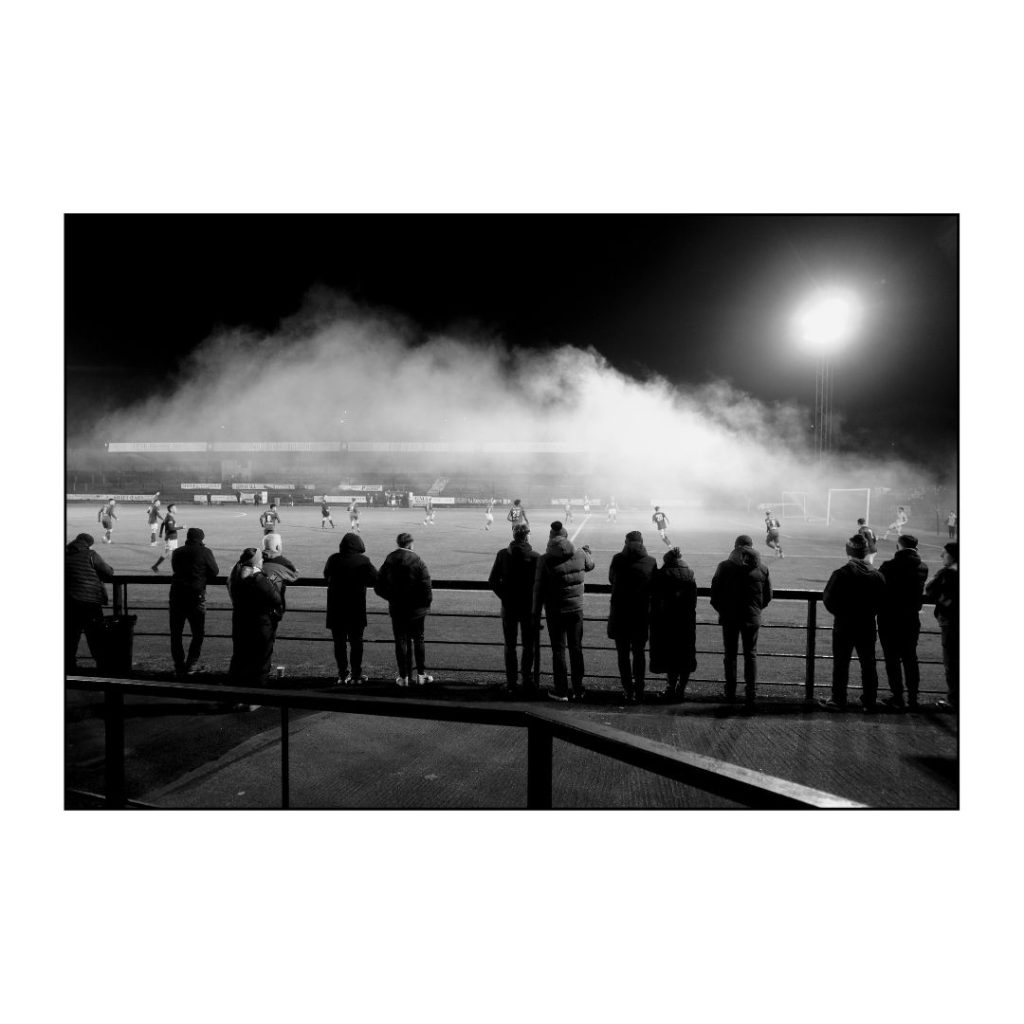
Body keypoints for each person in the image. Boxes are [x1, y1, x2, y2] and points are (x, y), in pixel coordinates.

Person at [819, 534, 887, 712]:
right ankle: (870, 701)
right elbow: (882, 602)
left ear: (848, 552)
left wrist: (842, 614)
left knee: (841, 663)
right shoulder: (877, 575)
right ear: (865, 552)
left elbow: (828, 599)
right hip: (867, 625)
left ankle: (838, 699)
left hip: (844, 625)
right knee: (869, 664)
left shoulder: (841, 574)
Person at [532, 521, 595, 702]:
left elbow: (538, 590)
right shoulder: (580, 553)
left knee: (558, 650)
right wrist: (586, 553)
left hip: (555, 611)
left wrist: (535, 616)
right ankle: (578, 689)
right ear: (566, 537)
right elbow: (590, 566)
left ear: (550, 538)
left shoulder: (544, 559)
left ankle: (561, 691)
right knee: (576, 649)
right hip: (576, 609)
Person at [710, 535, 772, 707]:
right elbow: (767, 596)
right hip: (752, 617)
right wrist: (755, 611)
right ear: (751, 547)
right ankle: (751, 692)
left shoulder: (724, 566)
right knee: (751, 655)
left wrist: (723, 610)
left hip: (730, 617)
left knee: (730, 655)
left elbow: (714, 595)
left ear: (735, 547)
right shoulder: (763, 569)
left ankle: (730, 692)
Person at [488, 522, 542, 695]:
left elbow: (492, 581)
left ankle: (511, 683)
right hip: (528, 609)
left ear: (514, 535)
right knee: (529, 646)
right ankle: (527, 680)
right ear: (527, 535)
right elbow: (540, 585)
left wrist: (505, 597)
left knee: (510, 646)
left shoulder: (503, 554)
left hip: (509, 607)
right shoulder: (535, 557)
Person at [877, 534, 928, 710]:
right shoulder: (922, 567)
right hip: (911, 618)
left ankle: (897, 697)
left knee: (892, 659)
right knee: (910, 658)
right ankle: (913, 698)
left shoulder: (888, 566)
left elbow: (879, 587)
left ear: (898, 547)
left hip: (889, 618)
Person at [375, 533, 433, 686]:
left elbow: (378, 585)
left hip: (397, 608)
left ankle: (404, 678)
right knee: (418, 639)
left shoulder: (389, 559)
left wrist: (391, 598)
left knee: (401, 640)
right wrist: (425, 605)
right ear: (411, 544)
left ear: (398, 543)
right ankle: (421, 675)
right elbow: (426, 585)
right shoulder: (418, 560)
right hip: (417, 609)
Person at [226, 547, 283, 702]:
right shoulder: (257, 578)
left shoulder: (235, 575)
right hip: (258, 623)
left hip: (239, 622)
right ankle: (255, 698)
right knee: (261, 660)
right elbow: (276, 598)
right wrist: (272, 579)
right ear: (257, 561)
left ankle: (235, 696)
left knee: (239, 658)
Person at [607, 531, 657, 704]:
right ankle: (640, 690)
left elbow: (611, 579)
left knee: (622, 655)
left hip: (620, 613)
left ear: (626, 542)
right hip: (640, 614)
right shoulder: (650, 561)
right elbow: (654, 585)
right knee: (639, 653)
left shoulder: (617, 559)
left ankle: (628, 690)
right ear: (642, 542)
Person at [323, 532, 379, 685]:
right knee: (356, 643)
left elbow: (326, 576)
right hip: (355, 607)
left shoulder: (333, 559)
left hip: (336, 607)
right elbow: (376, 578)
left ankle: (342, 675)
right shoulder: (363, 560)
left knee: (339, 643)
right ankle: (356, 675)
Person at [168, 527, 219, 680]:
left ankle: (178, 665)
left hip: (176, 595)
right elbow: (214, 571)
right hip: (196, 597)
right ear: (201, 538)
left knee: (176, 633)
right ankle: (191, 664)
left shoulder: (178, 552)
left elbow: (176, 568)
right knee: (198, 633)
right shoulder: (205, 552)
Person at [649, 547, 697, 703]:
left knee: (670, 655)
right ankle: (681, 690)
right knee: (685, 655)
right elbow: (693, 600)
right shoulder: (690, 574)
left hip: (667, 621)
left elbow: (655, 598)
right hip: (686, 621)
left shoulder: (663, 574)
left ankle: (670, 688)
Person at [65, 533, 115, 672]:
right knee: (96, 636)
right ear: (88, 544)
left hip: (69, 602)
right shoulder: (90, 554)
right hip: (90, 602)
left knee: (70, 637)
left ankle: (69, 667)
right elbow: (108, 572)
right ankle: (103, 667)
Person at [925, 542, 958, 711]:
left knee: (952, 662)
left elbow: (930, 590)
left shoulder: (946, 573)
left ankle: (954, 701)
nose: (941, 556)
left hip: (951, 622)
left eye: (944, 553)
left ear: (952, 555)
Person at [151, 502, 180, 572]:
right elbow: (171, 528)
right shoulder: (169, 518)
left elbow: (162, 524)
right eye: (175, 508)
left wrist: (160, 533)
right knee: (170, 553)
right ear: (171, 509)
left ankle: (156, 566)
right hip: (171, 538)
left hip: (171, 537)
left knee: (170, 553)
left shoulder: (168, 516)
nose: (176, 509)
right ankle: (176, 569)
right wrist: (182, 527)